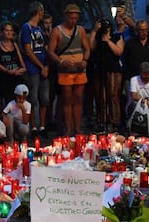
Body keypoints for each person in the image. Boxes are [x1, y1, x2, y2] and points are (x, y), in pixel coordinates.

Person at [47, 4, 90, 135]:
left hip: (79, 70)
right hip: (65, 71)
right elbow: (50, 51)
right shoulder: (57, 31)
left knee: (78, 99)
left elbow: (87, 48)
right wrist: (61, 61)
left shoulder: (81, 30)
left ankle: (77, 128)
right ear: (66, 16)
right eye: (71, 18)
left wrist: (85, 61)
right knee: (67, 100)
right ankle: (68, 129)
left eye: (76, 18)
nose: (73, 20)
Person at [89, 18, 124, 133]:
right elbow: (91, 47)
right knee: (100, 97)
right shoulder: (98, 38)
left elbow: (119, 51)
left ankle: (115, 123)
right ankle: (101, 122)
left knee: (113, 96)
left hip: (112, 70)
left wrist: (108, 41)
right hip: (100, 70)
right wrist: (94, 31)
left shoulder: (116, 37)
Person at [20, 1, 49, 138]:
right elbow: (28, 50)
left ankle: (42, 126)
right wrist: (41, 66)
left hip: (44, 67)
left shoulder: (41, 28)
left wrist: (46, 65)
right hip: (33, 68)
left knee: (44, 98)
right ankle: (34, 127)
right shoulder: (27, 27)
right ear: (39, 11)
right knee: (33, 98)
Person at [0, 21, 26, 107]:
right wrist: (8, 71)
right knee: (9, 103)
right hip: (5, 79)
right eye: (7, 30)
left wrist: (23, 68)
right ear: (2, 32)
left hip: (17, 77)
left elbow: (21, 61)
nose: (9, 32)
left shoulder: (14, 45)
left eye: (11, 30)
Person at [127, 62, 149, 133]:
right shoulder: (134, 80)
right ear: (140, 73)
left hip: (148, 108)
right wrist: (146, 102)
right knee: (133, 104)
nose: (147, 75)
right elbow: (134, 95)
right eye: (145, 73)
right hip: (136, 106)